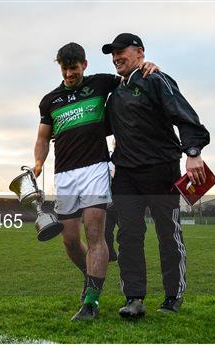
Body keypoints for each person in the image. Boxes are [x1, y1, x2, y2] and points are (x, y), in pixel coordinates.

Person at [34, 42, 158, 320]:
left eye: (74, 68)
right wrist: (39, 162)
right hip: (64, 175)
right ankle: (90, 276)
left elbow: (130, 78)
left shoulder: (101, 84)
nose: (69, 74)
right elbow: (42, 138)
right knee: (69, 240)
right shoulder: (49, 100)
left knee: (94, 234)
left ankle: (91, 301)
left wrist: (148, 66)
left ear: (84, 65)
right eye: (64, 69)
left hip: (94, 169)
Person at [102, 33, 210, 317]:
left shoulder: (155, 79)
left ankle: (172, 297)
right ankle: (134, 299)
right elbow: (99, 128)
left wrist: (194, 152)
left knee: (167, 234)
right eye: (112, 54)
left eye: (120, 51)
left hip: (160, 169)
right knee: (128, 236)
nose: (115, 57)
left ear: (140, 52)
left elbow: (184, 114)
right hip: (125, 173)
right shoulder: (114, 94)